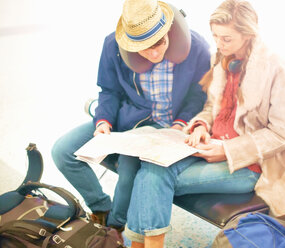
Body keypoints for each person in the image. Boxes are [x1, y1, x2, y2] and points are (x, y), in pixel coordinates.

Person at [123, 0, 285, 247]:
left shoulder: (275, 67)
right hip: (210, 147)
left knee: (152, 177)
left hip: (250, 165)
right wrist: (201, 125)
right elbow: (212, 107)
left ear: (247, 34)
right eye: (215, 37)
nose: (219, 45)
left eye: (226, 39)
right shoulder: (222, 59)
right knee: (152, 165)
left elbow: (280, 135)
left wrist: (227, 149)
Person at [51, 0, 210, 238]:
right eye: (147, 49)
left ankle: (112, 231)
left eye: (161, 44)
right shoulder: (112, 46)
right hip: (129, 120)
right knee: (62, 151)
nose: (156, 54)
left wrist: (181, 124)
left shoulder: (196, 47)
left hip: (172, 126)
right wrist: (103, 122)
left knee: (128, 167)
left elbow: (199, 96)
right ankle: (101, 208)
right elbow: (109, 91)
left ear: (168, 31)